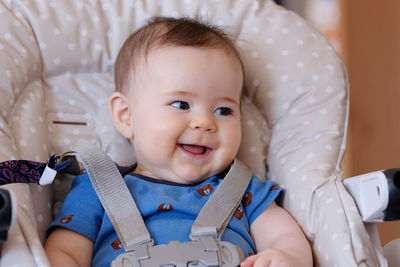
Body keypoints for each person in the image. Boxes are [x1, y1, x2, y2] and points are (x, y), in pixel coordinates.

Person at [44, 17, 313, 267]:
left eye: (224, 110)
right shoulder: (99, 189)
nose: (205, 122)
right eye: (181, 104)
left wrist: (286, 257)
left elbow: (286, 239)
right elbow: (63, 254)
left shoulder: (245, 190)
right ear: (126, 115)